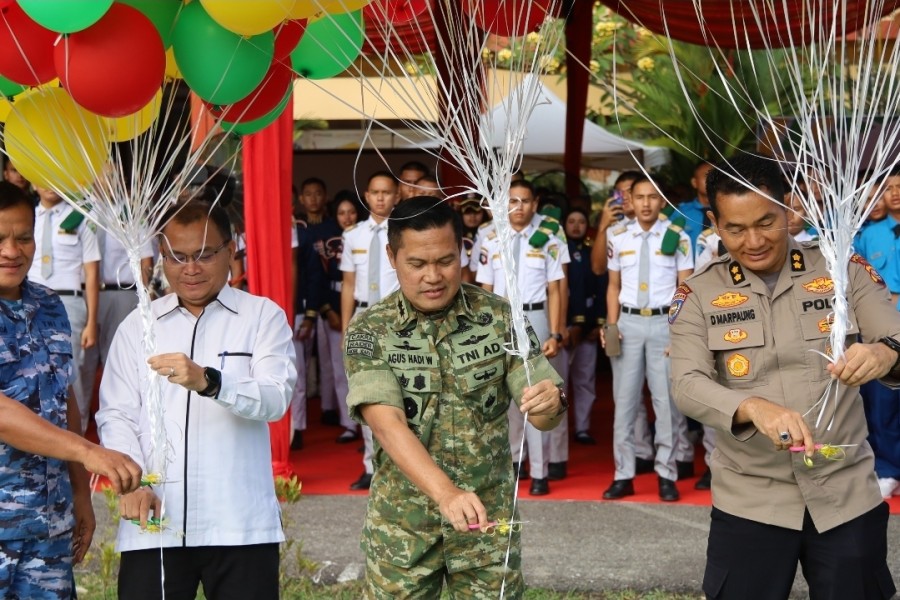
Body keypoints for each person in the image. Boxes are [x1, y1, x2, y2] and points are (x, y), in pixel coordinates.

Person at [670, 155, 899, 599]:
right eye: (735, 229)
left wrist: (883, 352)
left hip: (845, 492)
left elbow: (896, 334)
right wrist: (752, 407)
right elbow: (686, 383)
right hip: (751, 500)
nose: (754, 241)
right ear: (714, 223)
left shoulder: (842, 269)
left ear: (788, 209)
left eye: (766, 222)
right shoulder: (698, 293)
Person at [344, 196, 565, 598]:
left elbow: (542, 412)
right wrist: (446, 493)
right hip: (403, 531)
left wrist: (551, 403)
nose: (433, 276)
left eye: (445, 261)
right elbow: (387, 424)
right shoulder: (370, 330)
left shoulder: (500, 317)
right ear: (392, 256)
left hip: (486, 525)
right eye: (417, 264)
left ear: (463, 250)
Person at [96, 199, 297, 600]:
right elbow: (116, 414)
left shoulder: (263, 317)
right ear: (161, 255)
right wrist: (133, 483)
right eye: (177, 256)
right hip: (154, 519)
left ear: (231, 250)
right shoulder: (139, 325)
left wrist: (211, 382)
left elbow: (276, 399)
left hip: (239, 522)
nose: (190, 269)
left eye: (204, 255)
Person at [0, 181, 142, 598]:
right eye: (0, 239)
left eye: (24, 238)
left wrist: (81, 492)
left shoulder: (48, 304)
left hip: (49, 523)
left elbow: (65, 399)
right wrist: (89, 452)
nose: (12, 251)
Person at [601, 175, 693, 502]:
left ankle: (666, 474)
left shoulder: (678, 237)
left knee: (665, 403)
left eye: (652, 197)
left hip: (663, 323)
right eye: (639, 196)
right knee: (624, 402)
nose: (645, 203)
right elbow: (613, 285)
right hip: (627, 323)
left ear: (662, 201)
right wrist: (611, 325)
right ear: (631, 199)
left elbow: (685, 289)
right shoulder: (617, 235)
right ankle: (623, 474)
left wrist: (679, 331)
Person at [476, 180, 564, 495]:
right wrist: (482, 330)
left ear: (535, 204)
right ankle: (515, 461)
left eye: (525, 201)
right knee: (506, 394)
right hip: (500, 319)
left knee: (537, 394)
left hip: (535, 317)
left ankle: (540, 470)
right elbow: (485, 289)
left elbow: (556, 289)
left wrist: (555, 332)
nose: (519, 207)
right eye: (512, 200)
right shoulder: (490, 239)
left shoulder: (548, 239)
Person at [340, 171, 401, 490]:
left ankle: (400, 463)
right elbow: (348, 284)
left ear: (397, 196)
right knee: (366, 391)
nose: (380, 198)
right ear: (366, 195)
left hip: (394, 316)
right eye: (375, 192)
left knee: (399, 390)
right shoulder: (353, 235)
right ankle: (370, 464)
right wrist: (347, 326)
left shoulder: (403, 231)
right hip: (363, 315)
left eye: (386, 192)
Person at [29, 186, 100, 434]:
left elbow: (92, 273)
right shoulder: (27, 216)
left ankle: (77, 435)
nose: (48, 185)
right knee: (32, 368)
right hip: (30, 301)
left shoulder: (80, 217)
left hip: (69, 303)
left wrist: (91, 322)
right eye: (42, 179)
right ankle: (41, 435)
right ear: (33, 183)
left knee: (72, 372)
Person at [561, 207, 604, 446]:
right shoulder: (556, 248)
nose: (576, 226)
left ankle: (582, 428)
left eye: (581, 221)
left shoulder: (591, 250)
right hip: (562, 322)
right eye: (571, 221)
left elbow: (602, 286)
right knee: (559, 382)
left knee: (585, 379)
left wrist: (598, 322)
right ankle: (558, 431)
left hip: (588, 320)